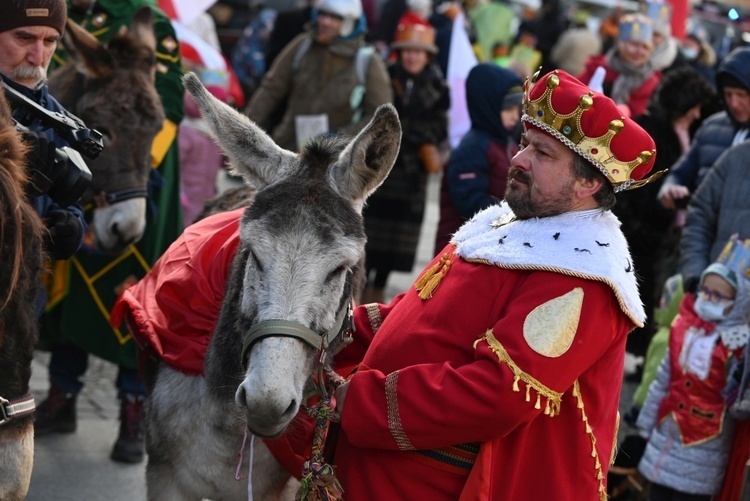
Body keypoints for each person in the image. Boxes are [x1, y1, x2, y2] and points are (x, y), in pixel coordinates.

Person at [330, 69, 662, 500]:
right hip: (390, 463)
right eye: (524, 143)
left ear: (589, 182)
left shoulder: (584, 277)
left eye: (542, 153)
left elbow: (498, 394)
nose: (519, 159)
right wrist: (328, 332)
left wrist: (356, 401)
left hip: (442, 479)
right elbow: (419, 312)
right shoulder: (511, 220)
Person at [35, 0, 184, 465]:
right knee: (73, 282)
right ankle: (61, 395)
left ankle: (131, 409)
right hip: (81, 176)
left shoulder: (151, 24)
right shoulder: (60, 16)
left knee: (136, 299)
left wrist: (125, 180)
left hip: (137, 177)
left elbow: (164, 110)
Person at [613, 67, 716, 358]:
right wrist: (661, 212)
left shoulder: (694, 131)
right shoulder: (651, 133)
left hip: (672, 235)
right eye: (692, 108)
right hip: (645, 234)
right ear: (680, 103)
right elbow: (635, 193)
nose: (697, 114)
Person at [636, 262, 747, 499]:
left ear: (738, 303)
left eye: (718, 295)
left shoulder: (738, 346)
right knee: (656, 493)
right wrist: (645, 424)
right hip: (667, 431)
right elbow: (662, 381)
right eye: (704, 291)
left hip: (705, 442)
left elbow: (739, 402)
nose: (708, 298)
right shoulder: (682, 329)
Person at [361, 23, 449, 303]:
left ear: (428, 57)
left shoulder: (438, 87)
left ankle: (379, 285)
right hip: (381, 164)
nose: (412, 57)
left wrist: (408, 131)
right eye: (408, 51)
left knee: (398, 234)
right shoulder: (384, 78)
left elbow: (440, 129)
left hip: (412, 172)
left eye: (418, 52)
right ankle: (363, 279)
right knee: (370, 227)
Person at [0, 0, 86, 274]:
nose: (38, 57)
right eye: (24, 37)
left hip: (22, 298)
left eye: (50, 41)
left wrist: (71, 226)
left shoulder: (58, 118)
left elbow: (70, 202)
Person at [244, 0, 393, 152]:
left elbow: (381, 116)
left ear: (349, 22)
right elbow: (271, 89)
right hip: (289, 149)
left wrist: (340, 137)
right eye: (322, 15)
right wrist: (244, 132)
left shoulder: (366, 60)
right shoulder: (303, 45)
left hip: (339, 159)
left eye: (334, 18)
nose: (325, 22)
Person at [434, 63, 522, 253]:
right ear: (489, 104)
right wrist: (515, 212)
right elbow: (469, 202)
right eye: (508, 109)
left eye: (518, 109)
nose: (515, 116)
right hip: (459, 251)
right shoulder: (473, 147)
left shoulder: (508, 144)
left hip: (487, 246)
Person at [657, 46, 750, 215]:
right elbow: (681, 173)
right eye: (728, 94)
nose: (734, 103)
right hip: (698, 232)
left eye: (741, 95)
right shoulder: (712, 126)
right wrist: (671, 188)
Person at [578, 13, 661, 118]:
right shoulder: (599, 69)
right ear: (620, 45)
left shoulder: (652, 83)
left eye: (645, 47)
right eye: (634, 45)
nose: (639, 51)